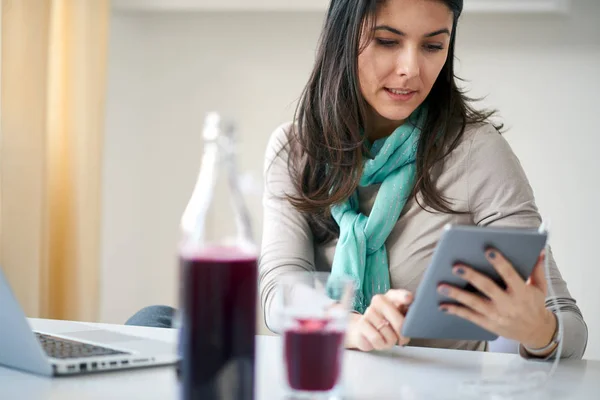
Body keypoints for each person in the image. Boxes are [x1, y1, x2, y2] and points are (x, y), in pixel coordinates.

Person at [258, 0, 588, 360]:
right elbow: (279, 291)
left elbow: (567, 322)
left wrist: (538, 330)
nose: (411, 69)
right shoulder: (295, 149)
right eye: (387, 41)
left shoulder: (475, 151)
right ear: (343, 37)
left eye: (433, 46)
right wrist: (344, 322)